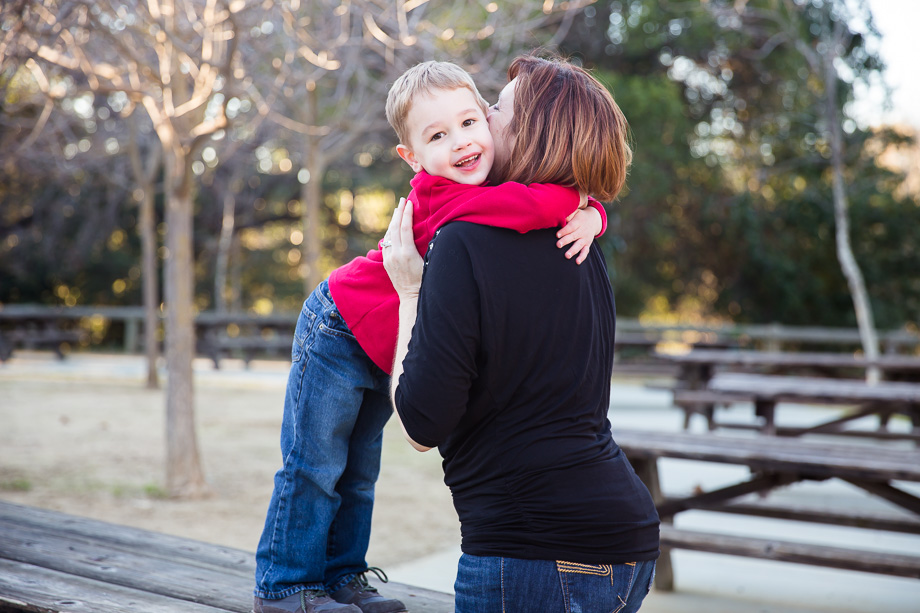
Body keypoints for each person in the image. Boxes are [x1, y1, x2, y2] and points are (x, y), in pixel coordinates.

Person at [252, 60, 607, 613]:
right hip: (340, 327)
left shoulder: (487, 186)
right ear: (412, 158)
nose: (461, 143)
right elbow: (538, 203)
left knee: (360, 470)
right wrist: (585, 204)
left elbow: (529, 202)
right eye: (437, 136)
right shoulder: (442, 198)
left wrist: (595, 213)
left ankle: (344, 576)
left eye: (470, 123)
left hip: (385, 342)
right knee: (316, 464)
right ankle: (285, 586)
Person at [384, 55, 660, 613]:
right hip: (626, 539)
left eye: (498, 109)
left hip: (535, 548)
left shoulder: (464, 243)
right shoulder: (582, 234)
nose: (484, 112)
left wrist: (409, 290)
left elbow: (420, 424)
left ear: (532, 130)